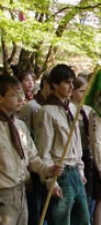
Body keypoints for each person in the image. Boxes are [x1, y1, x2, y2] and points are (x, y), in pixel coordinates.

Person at [0, 75, 62, 225]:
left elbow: (32, 157)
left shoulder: (19, 125)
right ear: (1, 98)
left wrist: (48, 169)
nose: (21, 99)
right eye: (14, 95)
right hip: (3, 195)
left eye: (21, 94)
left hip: (21, 192)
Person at [34, 64, 90, 225]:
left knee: (83, 219)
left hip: (75, 172)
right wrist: (51, 181)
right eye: (66, 82)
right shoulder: (46, 112)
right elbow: (44, 150)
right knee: (62, 220)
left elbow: (76, 142)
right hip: (61, 173)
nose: (71, 87)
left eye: (72, 82)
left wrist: (80, 169)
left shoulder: (72, 108)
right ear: (54, 85)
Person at [18, 71, 52, 225]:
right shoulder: (31, 107)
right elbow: (26, 142)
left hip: (46, 164)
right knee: (35, 212)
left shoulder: (53, 108)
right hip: (31, 171)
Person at [71, 76, 95, 223]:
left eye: (86, 91)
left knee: (90, 192)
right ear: (72, 91)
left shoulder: (87, 109)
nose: (84, 94)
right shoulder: (70, 110)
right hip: (77, 154)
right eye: (81, 91)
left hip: (89, 152)